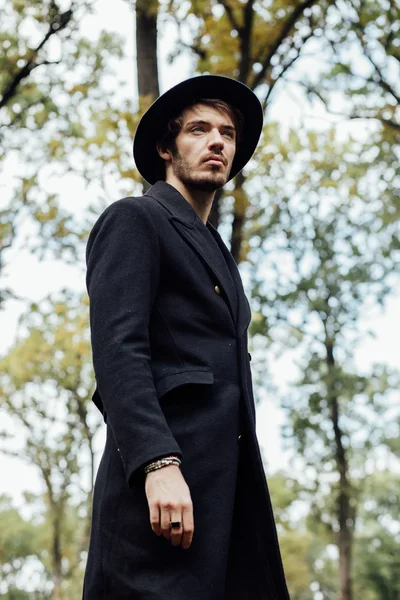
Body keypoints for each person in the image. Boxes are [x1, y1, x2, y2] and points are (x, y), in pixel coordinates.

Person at [83, 75, 290, 599]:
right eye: (198, 129)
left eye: (227, 132)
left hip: (229, 500)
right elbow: (119, 351)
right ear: (165, 147)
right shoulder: (134, 220)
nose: (217, 141)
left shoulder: (220, 254)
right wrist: (157, 463)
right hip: (160, 496)